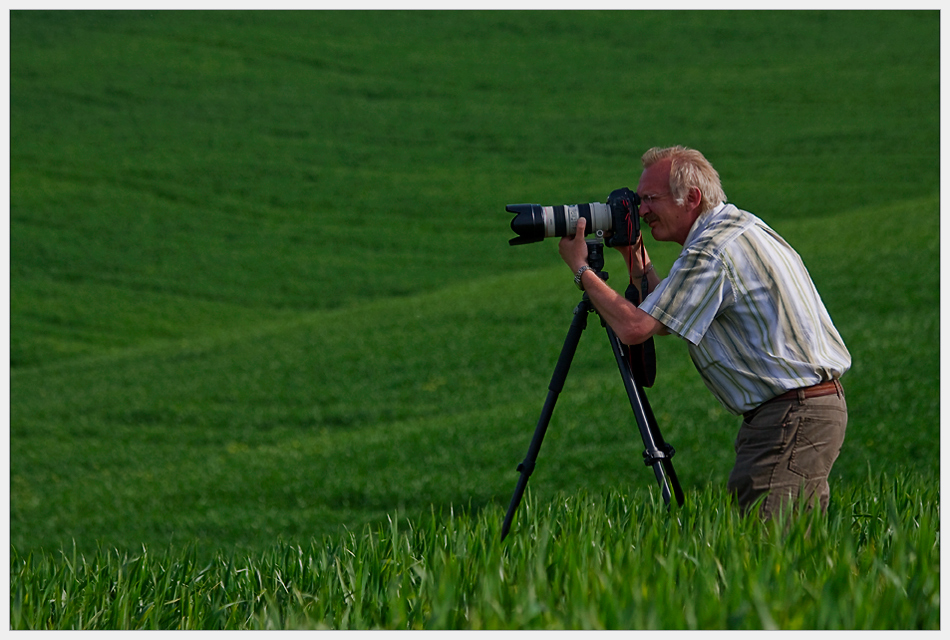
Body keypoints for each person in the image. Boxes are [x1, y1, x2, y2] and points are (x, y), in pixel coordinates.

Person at [558, 146, 851, 519]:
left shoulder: (712, 249)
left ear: (691, 197)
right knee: (786, 550)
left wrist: (582, 270)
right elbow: (668, 315)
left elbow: (636, 328)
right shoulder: (735, 228)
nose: (642, 210)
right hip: (797, 412)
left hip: (790, 415)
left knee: (767, 552)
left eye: (649, 199)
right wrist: (634, 256)